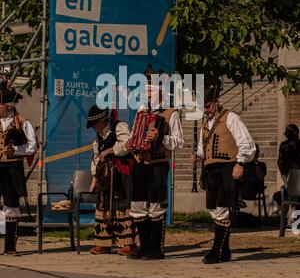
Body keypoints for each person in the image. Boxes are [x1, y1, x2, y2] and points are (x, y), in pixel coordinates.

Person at [191, 86, 256, 264]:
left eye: (208, 106)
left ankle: (217, 251)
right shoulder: (205, 125)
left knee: (223, 209)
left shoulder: (231, 117)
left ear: (216, 103)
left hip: (228, 169)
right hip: (211, 171)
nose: (206, 110)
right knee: (215, 209)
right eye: (203, 107)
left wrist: (240, 163)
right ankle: (224, 251)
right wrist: (197, 156)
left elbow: (247, 144)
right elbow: (202, 149)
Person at [128, 66, 184, 260]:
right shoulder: (141, 110)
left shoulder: (171, 113)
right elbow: (136, 134)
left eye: (151, 86)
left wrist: (160, 138)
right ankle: (144, 246)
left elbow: (179, 141)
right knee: (138, 204)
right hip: (139, 162)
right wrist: (131, 141)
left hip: (158, 164)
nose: (147, 90)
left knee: (156, 205)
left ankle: (156, 248)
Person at [87, 106, 136, 255]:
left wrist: (110, 151)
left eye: (96, 124)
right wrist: (94, 179)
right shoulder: (98, 136)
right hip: (106, 176)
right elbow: (96, 157)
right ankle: (103, 242)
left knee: (122, 205)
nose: (95, 127)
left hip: (122, 173)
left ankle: (127, 243)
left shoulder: (119, 126)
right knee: (103, 205)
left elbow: (128, 144)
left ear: (103, 120)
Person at [0, 82, 37, 255]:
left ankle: (9, 246)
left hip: (12, 168)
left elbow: (32, 146)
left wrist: (14, 150)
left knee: (11, 206)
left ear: (8, 106)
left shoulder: (22, 123)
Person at [273, 124, 300, 219]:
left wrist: (283, 174)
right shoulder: (298, 143)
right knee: (293, 198)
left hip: (286, 173)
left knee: (289, 197)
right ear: (296, 133)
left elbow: (279, 161)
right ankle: (291, 221)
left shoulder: (283, 145)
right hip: (296, 173)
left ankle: (288, 220)